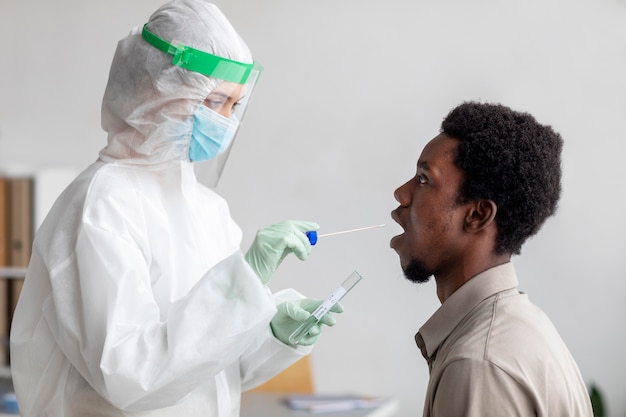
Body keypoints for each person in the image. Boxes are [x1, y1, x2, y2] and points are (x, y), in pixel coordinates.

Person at [9, 1, 342, 416]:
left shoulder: (208, 210)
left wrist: (272, 332)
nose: (224, 120)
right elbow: (129, 376)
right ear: (155, 87)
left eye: (233, 106)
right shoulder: (102, 205)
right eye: (214, 100)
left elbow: (209, 367)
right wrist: (245, 280)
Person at [390, 101, 593, 416]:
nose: (401, 194)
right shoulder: (519, 325)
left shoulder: (478, 364)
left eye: (424, 179)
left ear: (478, 214)